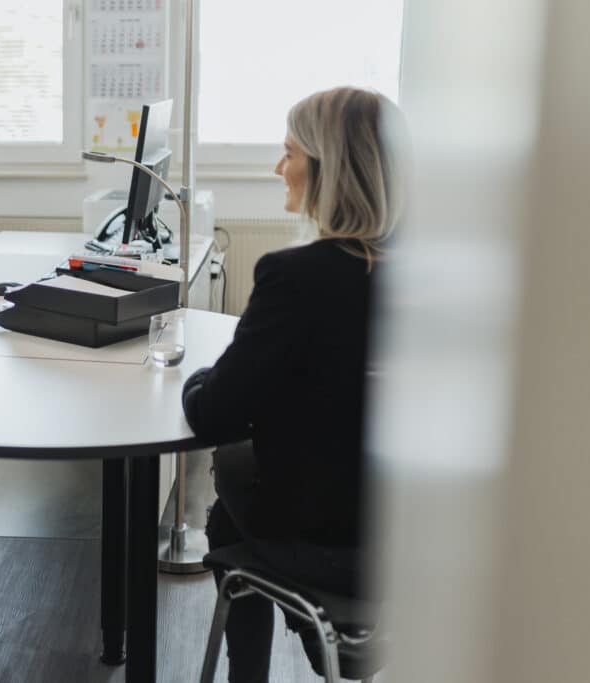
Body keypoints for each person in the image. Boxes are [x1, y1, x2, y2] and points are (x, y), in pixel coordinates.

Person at [182, 87, 407, 682]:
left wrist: (197, 380)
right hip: (415, 540)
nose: (278, 168)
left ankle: (274, 659)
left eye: (290, 153)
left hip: (326, 546)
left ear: (332, 169)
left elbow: (216, 414)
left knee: (230, 470)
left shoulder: (297, 278)